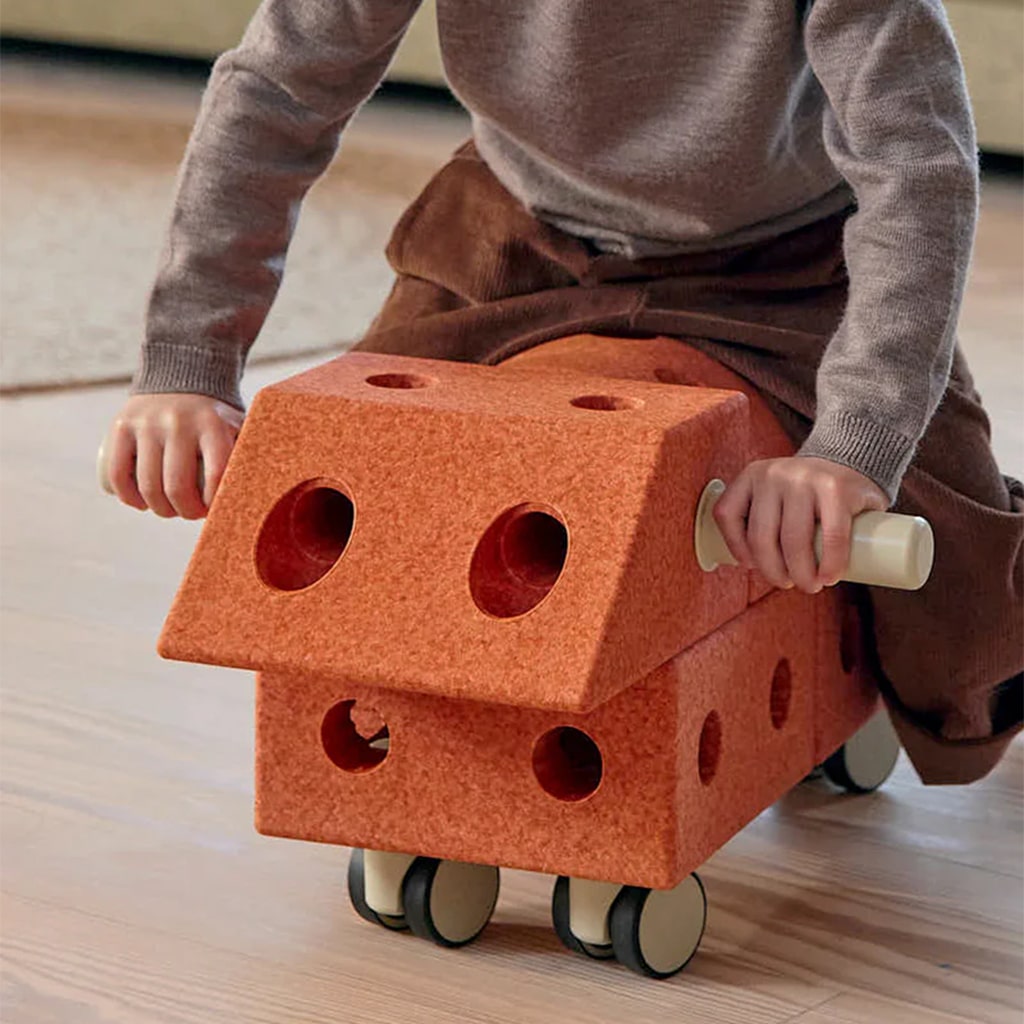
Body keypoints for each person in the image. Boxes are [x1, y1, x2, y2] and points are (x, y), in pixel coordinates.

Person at [102, 0, 1022, 784]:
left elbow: (916, 165)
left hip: (796, 264)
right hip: (517, 235)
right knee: (367, 496)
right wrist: (188, 361)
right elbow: (276, 91)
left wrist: (854, 445)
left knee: (968, 613)